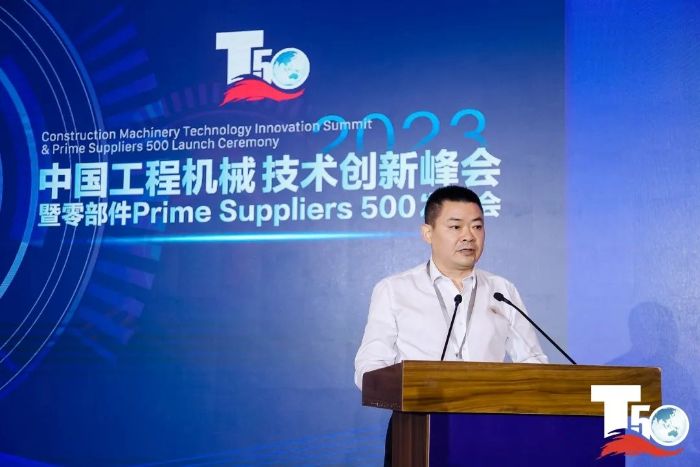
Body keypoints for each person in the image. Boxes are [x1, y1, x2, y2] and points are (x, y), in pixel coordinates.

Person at [353, 185, 549, 465]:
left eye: (477, 226)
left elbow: (534, 363)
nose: (468, 236)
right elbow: (369, 368)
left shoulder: (501, 290)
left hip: (492, 428)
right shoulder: (394, 290)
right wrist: (414, 388)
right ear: (428, 233)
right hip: (417, 429)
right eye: (456, 226)